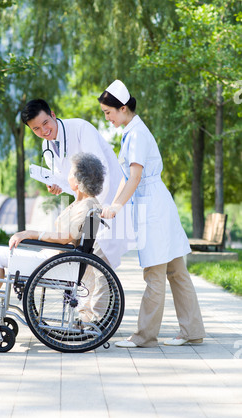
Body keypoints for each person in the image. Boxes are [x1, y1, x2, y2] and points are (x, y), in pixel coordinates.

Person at [98, 79, 206, 348]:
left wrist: (117, 207)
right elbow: (127, 177)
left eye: (108, 112)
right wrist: (113, 204)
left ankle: (144, 336)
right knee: (177, 272)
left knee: (155, 274)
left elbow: (134, 178)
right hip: (157, 203)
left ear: (123, 108)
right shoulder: (132, 131)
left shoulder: (136, 134)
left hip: (154, 207)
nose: (107, 117)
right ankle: (192, 331)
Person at [0, 153, 107, 327]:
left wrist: (30, 234)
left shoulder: (86, 205)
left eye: (71, 173)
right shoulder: (83, 203)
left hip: (57, 263)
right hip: (57, 260)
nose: (67, 176)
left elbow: (66, 237)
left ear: (79, 181)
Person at [20, 99, 135, 269]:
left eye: (45, 123)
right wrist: (58, 186)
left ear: (53, 115)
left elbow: (99, 170)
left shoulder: (81, 128)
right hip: (85, 210)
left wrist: (95, 209)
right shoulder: (47, 147)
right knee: (90, 264)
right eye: (36, 129)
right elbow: (70, 182)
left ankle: (100, 295)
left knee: (100, 262)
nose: (44, 131)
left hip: (107, 200)